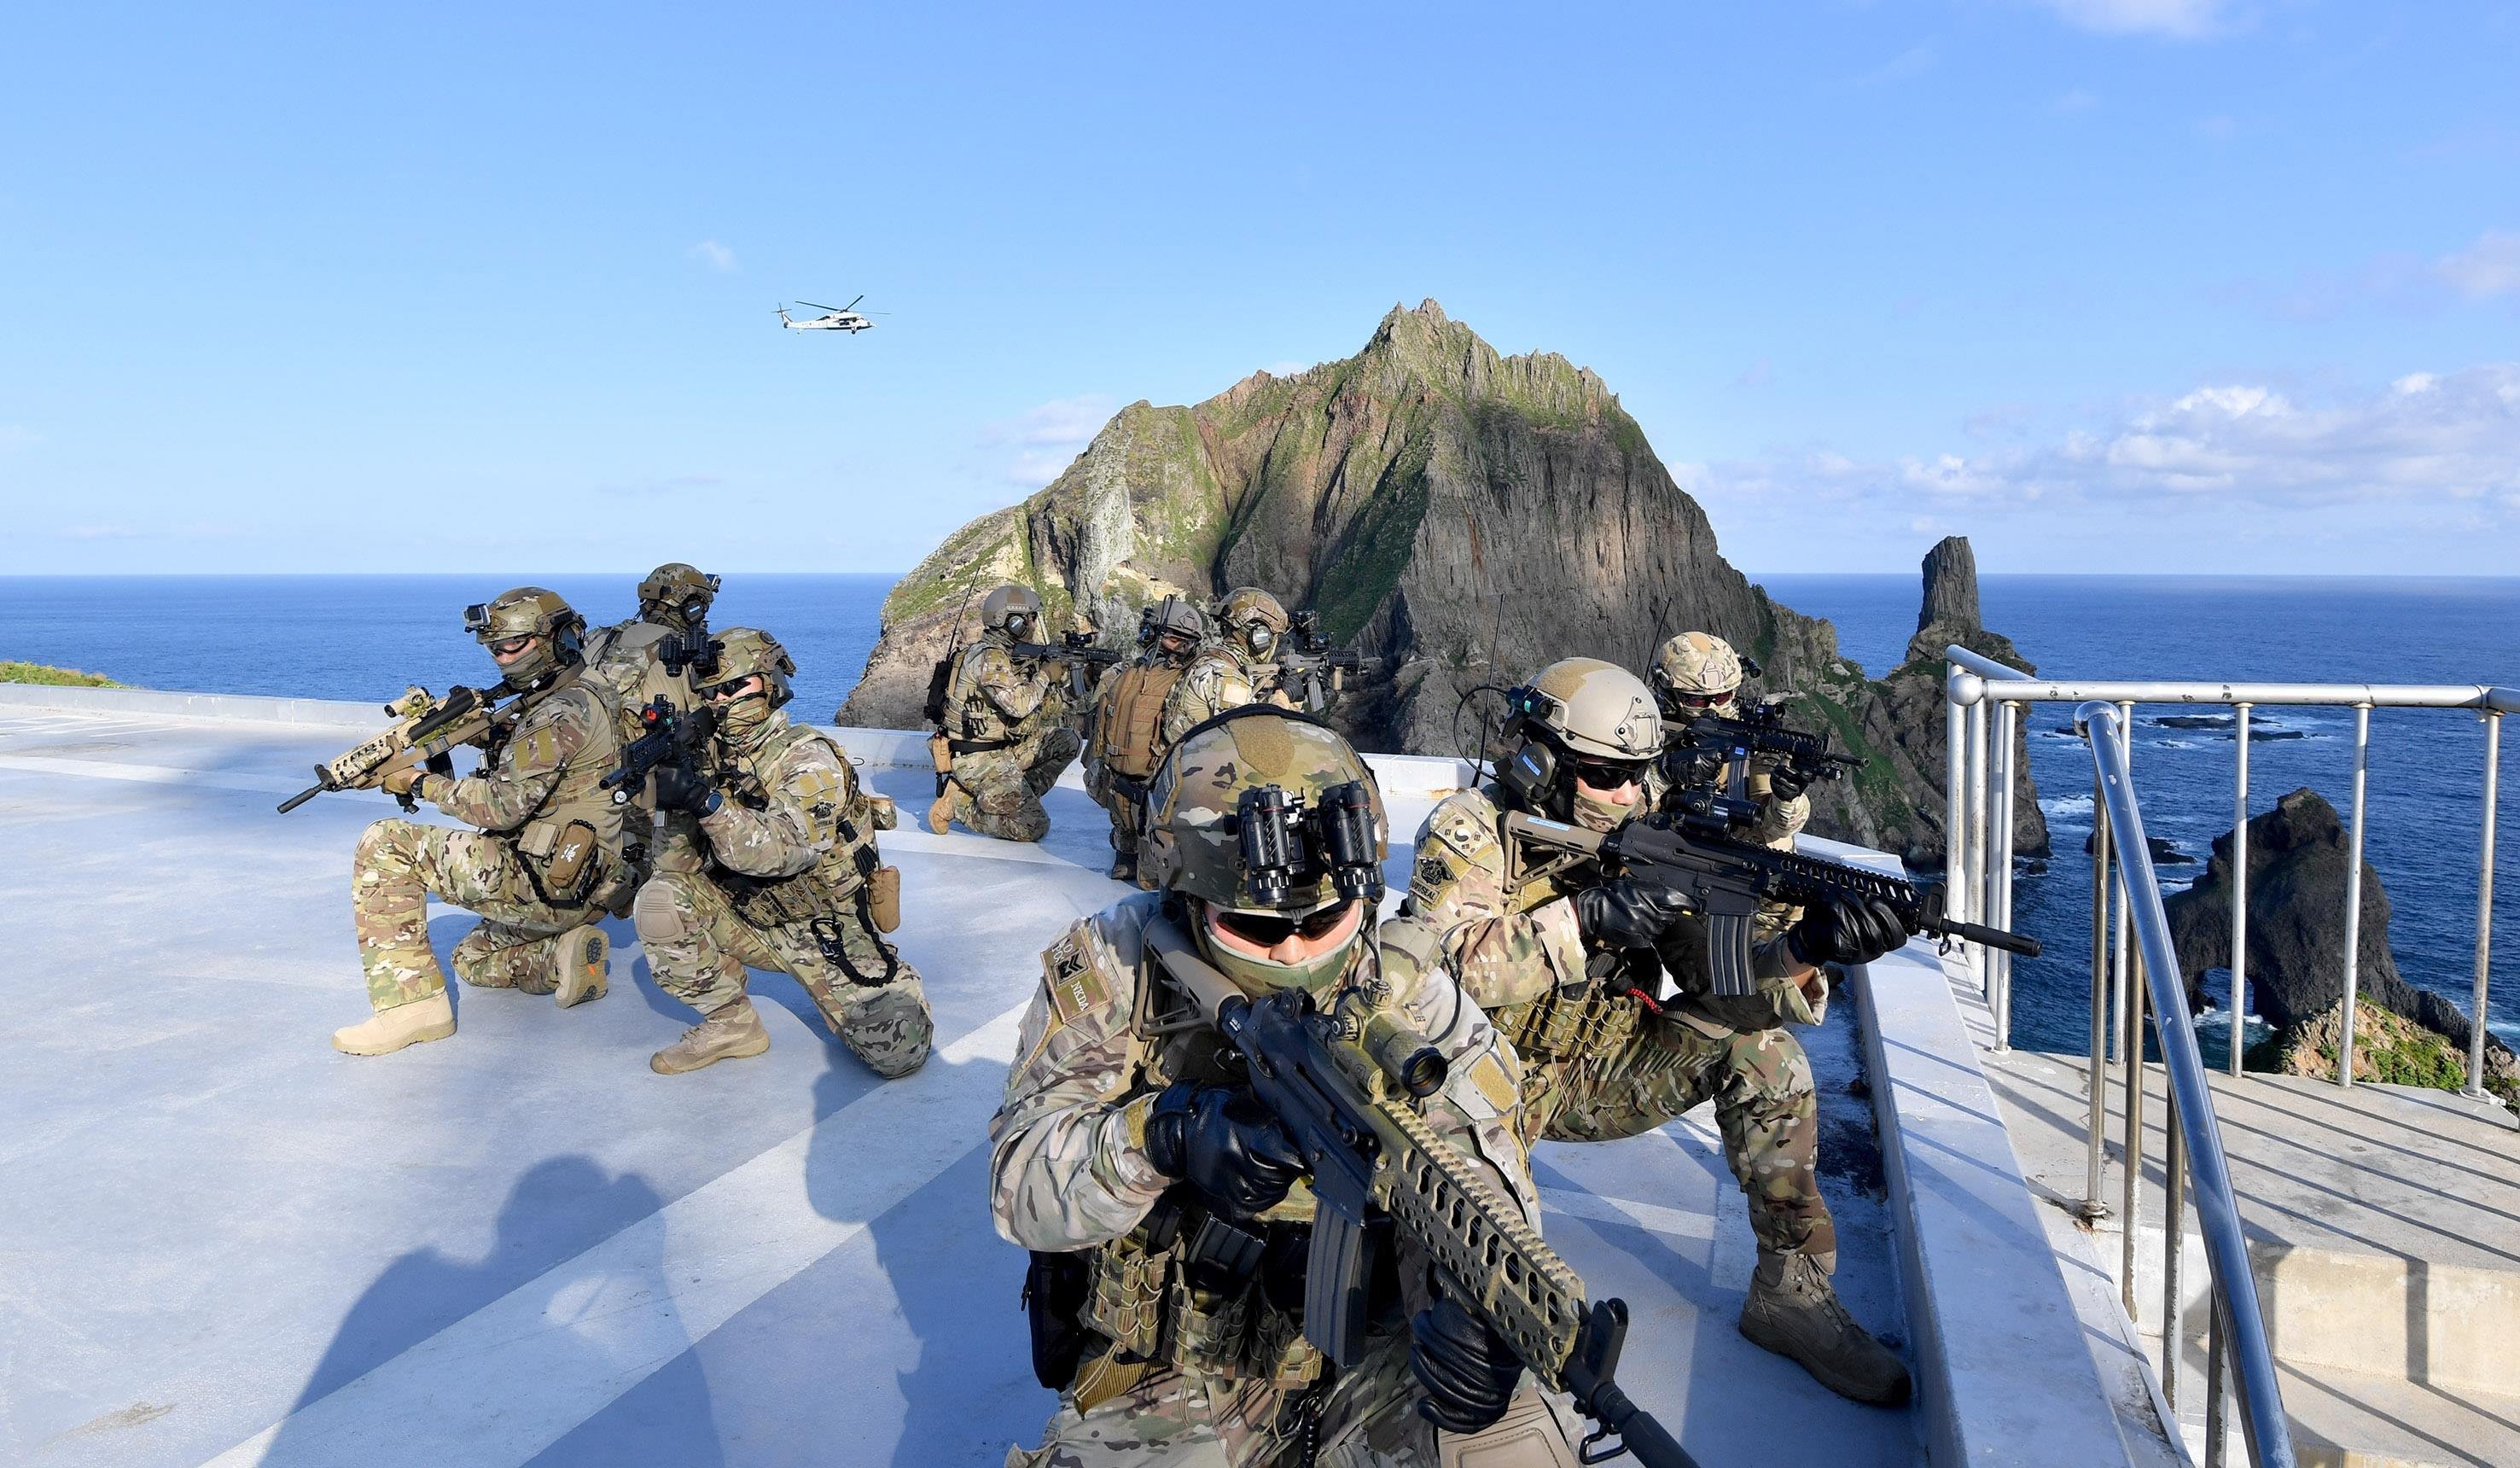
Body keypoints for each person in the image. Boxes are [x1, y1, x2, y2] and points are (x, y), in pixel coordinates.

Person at [992, 708, 1582, 1465]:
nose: (1298, 949)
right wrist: (1159, 1135)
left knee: (1515, 1448)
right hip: (1176, 1373)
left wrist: (1473, 1313)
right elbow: (1017, 1186)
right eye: (1258, 929)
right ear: (1187, 897)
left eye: (1329, 918)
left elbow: (1486, 1176)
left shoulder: (1409, 987)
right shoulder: (1116, 967)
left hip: (1369, 1358)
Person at [1404, 656, 1914, 1405]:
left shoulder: (1644, 829)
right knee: (1482, 1293)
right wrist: (1587, 918)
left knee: (1766, 1059)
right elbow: (1439, 970)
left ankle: (1790, 1295)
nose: (1631, 794)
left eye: (1641, 773)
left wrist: (1805, 952)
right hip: (1479, 1087)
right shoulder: (1470, 832)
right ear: (1540, 761)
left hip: (1597, 1072)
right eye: (1607, 776)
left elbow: (1717, 982)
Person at [332, 587, 631, 1056]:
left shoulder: (561, 710)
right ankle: (560, 956)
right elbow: (543, 761)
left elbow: (502, 808)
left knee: (386, 844)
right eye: (495, 648)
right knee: (472, 959)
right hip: (583, 881)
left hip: (548, 879)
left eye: (517, 645)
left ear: (558, 639)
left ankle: (411, 1011)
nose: (504, 658)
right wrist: (489, 733)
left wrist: (414, 782)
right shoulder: (580, 691)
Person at [635, 628, 933, 1077]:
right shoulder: (711, 754)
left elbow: (784, 851)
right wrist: (669, 803)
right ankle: (732, 1023)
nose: (720, 700)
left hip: (823, 924)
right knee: (659, 898)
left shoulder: (807, 757)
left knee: (899, 1051)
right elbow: (674, 865)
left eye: (734, 687)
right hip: (747, 914)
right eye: (711, 692)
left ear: (769, 684)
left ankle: (884, 977)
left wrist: (704, 801)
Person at [928, 584, 1084, 842]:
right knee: (1033, 826)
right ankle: (957, 804)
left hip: (1005, 748)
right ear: (1013, 622)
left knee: (1067, 741)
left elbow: (1038, 704)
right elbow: (1019, 705)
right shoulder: (990, 658)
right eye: (1030, 618)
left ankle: (1013, 798)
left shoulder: (1008, 655)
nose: (1034, 625)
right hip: (977, 757)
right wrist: (1046, 675)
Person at [1080, 594, 1206, 884]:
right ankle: (1125, 846)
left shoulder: (1189, 679)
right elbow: (1097, 720)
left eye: (1180, 640)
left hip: (1153, 791)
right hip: (1115, 783)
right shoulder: (1126, 672)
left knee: (1152, 882)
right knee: (1127, 851)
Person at [1647, 631, 1807, 850]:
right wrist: (1662, 773)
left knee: (1776, 844)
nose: (1712, 708)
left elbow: (1777, 825)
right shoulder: (1645, 726)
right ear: (1669, 693)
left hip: (1727, 846)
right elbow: (1614, 806)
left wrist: (1786, 800)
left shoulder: (1750, 735)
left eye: (1722, 697)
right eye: (1696, 699)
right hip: (1657, 840)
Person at [1155, 587, 1294, 747]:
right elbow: (1258, 745)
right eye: (1273, 636)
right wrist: (1281, 700)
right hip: (1197, 766)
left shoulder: (1209, 658)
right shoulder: (1226, 676)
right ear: (1259, 636)